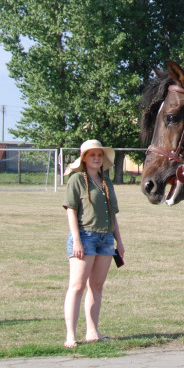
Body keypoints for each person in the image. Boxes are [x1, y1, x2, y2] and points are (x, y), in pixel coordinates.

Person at [62, 139, 125, 347]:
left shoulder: (106, 182)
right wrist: (77, 241)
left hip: (105, 238)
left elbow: (112, 214)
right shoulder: (76, 180)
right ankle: (70, 335)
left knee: (96, 286)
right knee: (77, 286)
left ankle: (92, 332)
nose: (96, 158)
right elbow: (71, 210)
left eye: (99, 155)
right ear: (84, 159)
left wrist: (119, 241)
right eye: (92, 155)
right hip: (85, 236)